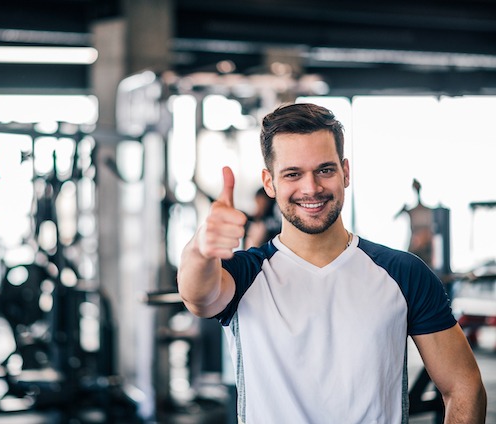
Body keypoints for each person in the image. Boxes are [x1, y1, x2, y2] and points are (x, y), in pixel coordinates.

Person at [177, 103, 486, 423]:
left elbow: (463, 385)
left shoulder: (403, 273)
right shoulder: (244, 275)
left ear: (345, 172)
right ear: (269, 183)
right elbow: (196, 296)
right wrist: (201, 249)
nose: (311, 188)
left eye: (324, 170)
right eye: (293, 174)